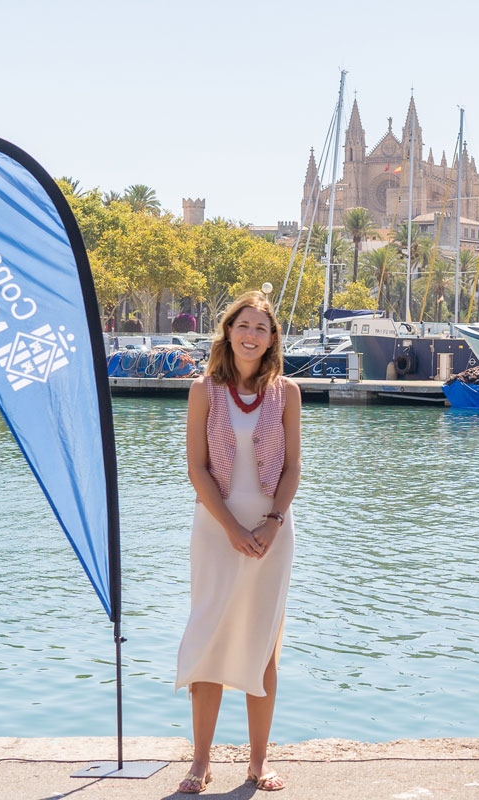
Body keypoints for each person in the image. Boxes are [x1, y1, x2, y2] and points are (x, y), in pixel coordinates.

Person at [175, 291, 301, 794]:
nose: (251, 335)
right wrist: (232, 528)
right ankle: (201, 762)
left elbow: (293, 468)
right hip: (214, 529)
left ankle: (257, 763)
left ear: (272, 340)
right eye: (243, 325)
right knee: (208, 635)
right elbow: (196, 468)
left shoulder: (287, 391)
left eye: (261, 328)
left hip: (273, 530)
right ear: (228, 331)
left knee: (263, 644)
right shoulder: (203, 389)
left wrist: (272, 521)